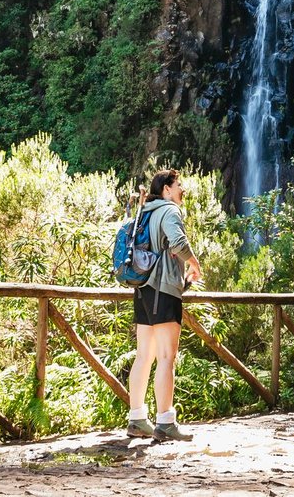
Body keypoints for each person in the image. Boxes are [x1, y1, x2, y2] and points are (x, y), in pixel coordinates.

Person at [126, 169, 202, 442]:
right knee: (167, 357)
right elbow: (179, 242)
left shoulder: (146, 211)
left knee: (144, 354)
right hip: (163, 287)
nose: (182, 190)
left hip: (142, 288)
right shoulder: (170, 211)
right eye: (179, 185)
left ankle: (137, 418)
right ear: (167, 189)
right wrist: (194, 263)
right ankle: (166, 421)